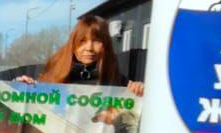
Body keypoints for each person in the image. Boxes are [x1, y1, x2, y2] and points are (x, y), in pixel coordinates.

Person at [10, 15, 144, 95]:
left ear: (106, 45)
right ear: (73, 45)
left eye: (97, 41)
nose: (89, 48)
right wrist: (20, 85)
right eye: (82, 41)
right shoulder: (56, 74)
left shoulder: (117, 80)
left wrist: (139, 91)